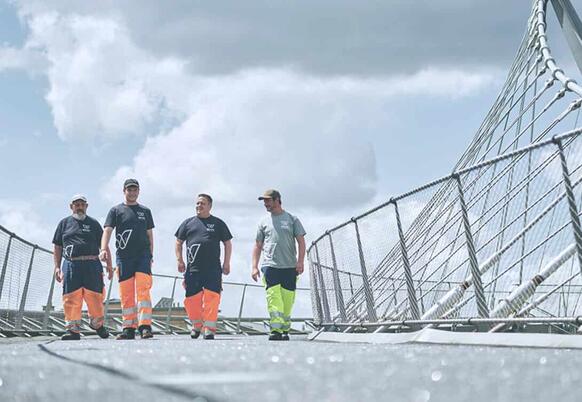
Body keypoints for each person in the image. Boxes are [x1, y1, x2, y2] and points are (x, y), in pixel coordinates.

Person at [100, 179, 155, 340]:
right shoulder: (116, 210)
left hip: (143, 256)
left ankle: (145, 326)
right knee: (126, 293)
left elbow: (150, 235)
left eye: (135, 190)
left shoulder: (145, 211)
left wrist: (151, 255)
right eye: (129, 190)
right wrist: (103, 249)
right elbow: (108, 231)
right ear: (124, 191)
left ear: (139, 191)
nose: (132, 192)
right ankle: (128, 327)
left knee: (143, 290)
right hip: (124, 257)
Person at [53, 194, 112, 340]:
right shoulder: (64, 224)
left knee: (96, 297)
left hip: (92, 264)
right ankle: (73, 330)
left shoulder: (94, 224)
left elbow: (104, 245)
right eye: (76, 204)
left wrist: (109, 265)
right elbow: (57, 246)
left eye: (82, 204)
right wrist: (57, 267)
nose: (79, 207)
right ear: (71, 206)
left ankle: (97, 325)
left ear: (86, 206)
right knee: (71, 297)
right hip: (71, 264)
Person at [175, 194, 233, 340]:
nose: (199, 206)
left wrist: (226, 263)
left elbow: (227, 243)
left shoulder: (218, 223)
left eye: (202, 203)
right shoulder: (188, 223)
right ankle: (196, 326)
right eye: (197, 203)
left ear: (210, 206)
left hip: (213, 269)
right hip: (193, 269)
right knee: (191, 300)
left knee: (212, 299)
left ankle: (209, 329)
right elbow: (178, 242)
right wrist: (179, 260)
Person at [251, 189, 306, 341]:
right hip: (270, 266)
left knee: (287, 300)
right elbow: (257, 245)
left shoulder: (292, 219)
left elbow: (301, 241)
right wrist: (254, 266)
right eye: (264, 201)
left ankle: (285, 329)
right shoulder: (263, 222)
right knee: (273, 298)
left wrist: (300, 261)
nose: (265, 204)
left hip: (289, 267)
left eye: (268, 200)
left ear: (277, 200)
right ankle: (275, 330)